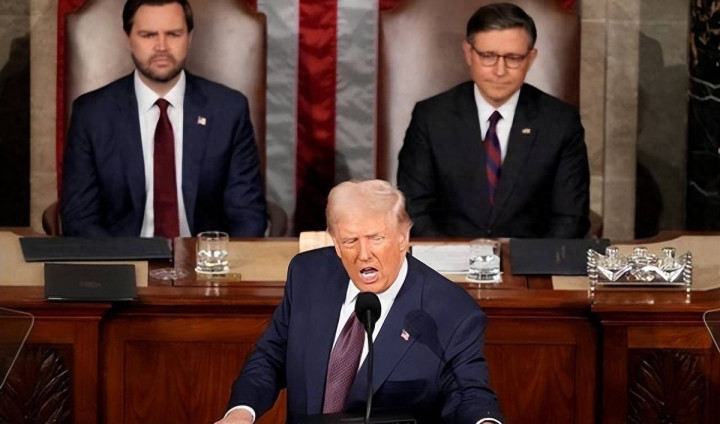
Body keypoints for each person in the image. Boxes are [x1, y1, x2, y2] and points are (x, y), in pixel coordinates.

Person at [217, 180, 503, 424]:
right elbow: (271, 357)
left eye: (376, 238)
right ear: (335, 243)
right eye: (350, 241)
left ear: (403, 238)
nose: (363, 254)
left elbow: (468, 393)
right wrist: (240, 413)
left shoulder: (452, 311)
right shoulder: (308, 276)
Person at [61, 0, 266, 237]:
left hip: (206, 256)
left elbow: (247, 215)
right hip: (121, 255)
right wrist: (120, 258)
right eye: (148, 35)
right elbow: (79, 217)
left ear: (189, 38)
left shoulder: (228, 110)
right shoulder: (92, 114)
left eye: (173, 34)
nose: (161, 47)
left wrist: (219, 257)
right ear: (128, 39)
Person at [397, 2, 589, 239]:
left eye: (513, 58)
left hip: (530, 259)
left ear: (530, 59)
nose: (500, 71)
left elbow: (570, 217)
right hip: (447, 256)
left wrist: (533, 259)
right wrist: (449, 256)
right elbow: (415, 208)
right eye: (488, 56)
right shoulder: (431, 117)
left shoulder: (560, 121)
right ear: (469, 53)